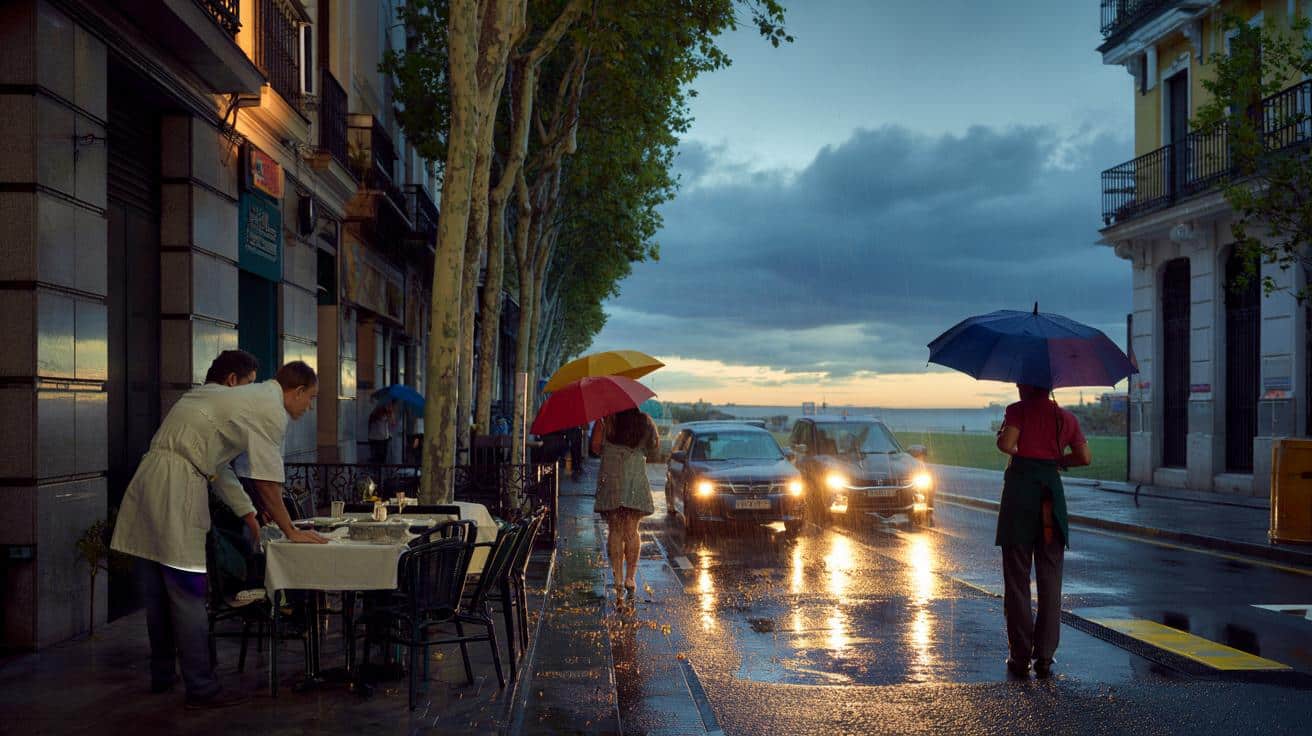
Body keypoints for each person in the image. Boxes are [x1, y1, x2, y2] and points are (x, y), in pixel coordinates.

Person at [110, 361, 327, 708]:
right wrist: (291, 530)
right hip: (176, 488)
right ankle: (202, 687)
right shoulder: (271, 408)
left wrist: (250, 515)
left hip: (151, 479)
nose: (310, 407)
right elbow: (267, 482)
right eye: (311, 398)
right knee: (188, 591)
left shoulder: (226, 398)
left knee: (157, 590)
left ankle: (163, 675)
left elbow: (219, 469)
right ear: (297, 391)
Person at [994, 383, 1091, 679]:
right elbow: (1084, 457)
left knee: (1017, 579)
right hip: (1050, 501)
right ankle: (1046, 656)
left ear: (1024, 386)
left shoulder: (1017, 410)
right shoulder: (1066, 418)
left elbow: (1007, 445)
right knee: (1050, 579)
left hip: (1020, 499)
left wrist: (1004, 436)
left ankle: (1020, 654)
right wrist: (1057, 460)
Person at [593, 409, 658, 604]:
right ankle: (630, 578)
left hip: (612, 479)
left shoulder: (606, 421)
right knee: (632, 530)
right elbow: (654, 448)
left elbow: (595, 448)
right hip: (635, 479)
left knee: (615, 530)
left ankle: (618, 579)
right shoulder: (645, 421)